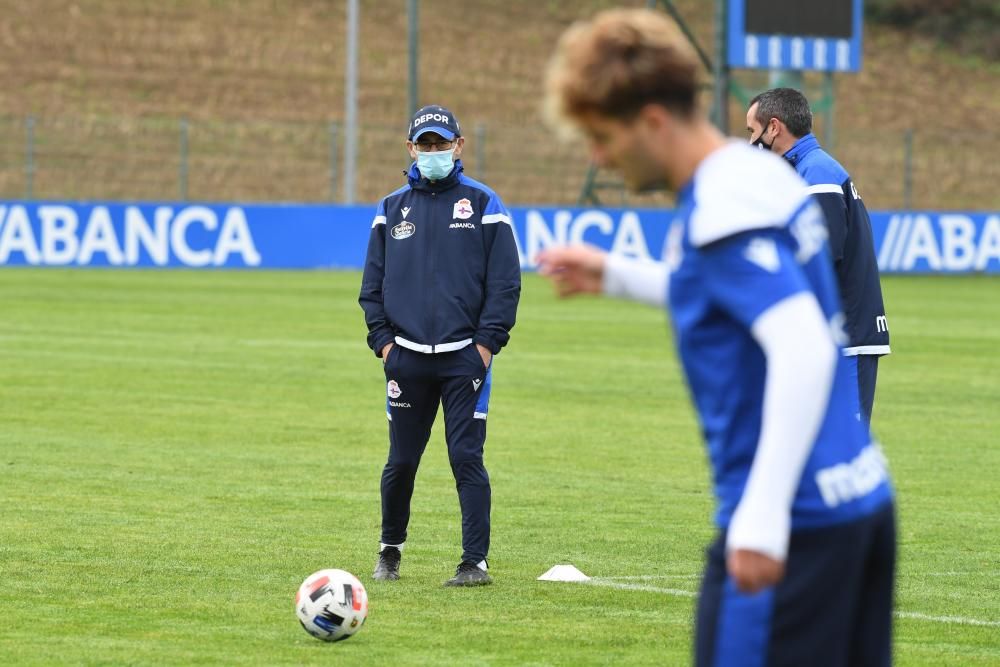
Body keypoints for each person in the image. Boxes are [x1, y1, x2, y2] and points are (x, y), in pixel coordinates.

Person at [538, 9, 895, 666]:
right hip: (860, 495)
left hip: (795, 524)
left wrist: (762, 516)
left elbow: (803, 346)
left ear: (651, 120)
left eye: (601, 134)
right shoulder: (757, 175)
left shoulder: (724, 202)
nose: (597, 156)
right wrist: (616, 275)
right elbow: (727, 291)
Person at [359, 104, 521, 587]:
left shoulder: (485, 205)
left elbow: (506, 283)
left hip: (464, 361)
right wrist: (385, 345)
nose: (433, 152)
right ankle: (390, 552)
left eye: (441, 144)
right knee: (401, 461)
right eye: (425, 144)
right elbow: (372, 287)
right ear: (410, 149)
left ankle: (474, 563)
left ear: (459, 146)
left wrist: (486, 345)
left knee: (466, 458)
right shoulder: (391, 209)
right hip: (405, 359)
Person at [746, 88, 889, 426]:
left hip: (847, 336)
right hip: (829, 334)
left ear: (774, 128)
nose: (751, 142)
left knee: (845, 449)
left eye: (752, 131)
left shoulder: (817, 173)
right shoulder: (806, 170)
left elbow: (820, 254)